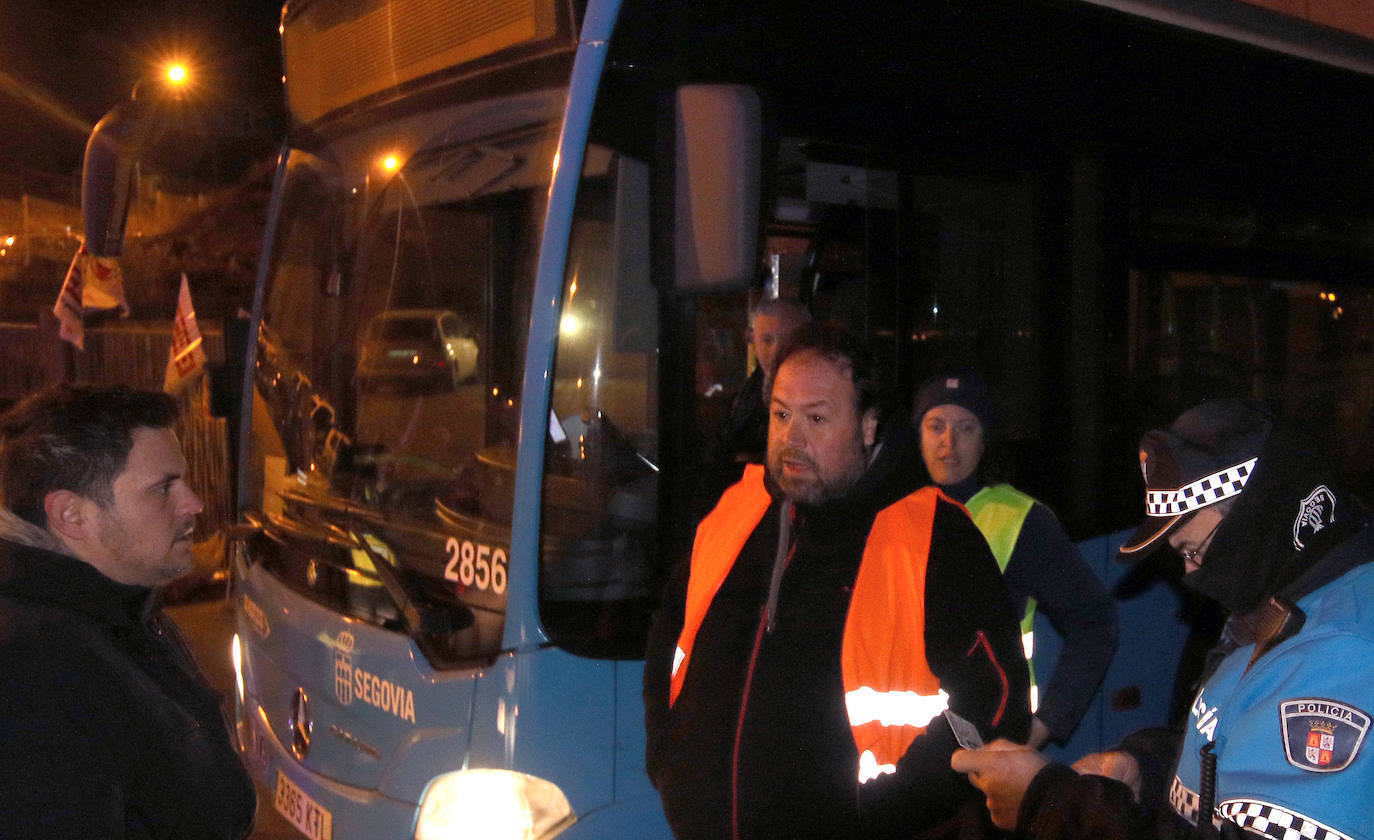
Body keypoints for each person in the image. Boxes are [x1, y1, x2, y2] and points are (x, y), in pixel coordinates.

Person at [645, 324, 1031, 839]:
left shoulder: (932, 537)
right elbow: (668, 639)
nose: (790, 438)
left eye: (817, 418)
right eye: (781, 414)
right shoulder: (735, 512)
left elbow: (995, 703)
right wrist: (668, 758)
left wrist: (885, 809)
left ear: (869, 426)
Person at [951, 398, 1374, 839]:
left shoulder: (1342, 659)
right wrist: (1146, 773)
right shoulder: (1279, 610)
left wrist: (1049, 802)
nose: (1191, 571)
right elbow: (1233, 747)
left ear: (1258, 519)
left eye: (1193, 550)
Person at [0, 384, 256, 839]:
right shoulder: (31, 676)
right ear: (72, 515)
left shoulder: (119, 608)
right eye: (163, 489)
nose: (194, 504)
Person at [913, 371, 1118, 748]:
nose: (948, 443)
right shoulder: (895, 512)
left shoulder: (1022, 520)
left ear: (986, 439)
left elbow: (1095, 622)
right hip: (908, 743)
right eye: (935, 426)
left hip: (991, 744)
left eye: (967, 427)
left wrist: (1042, 727)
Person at [706, 297, 811, 479]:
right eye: (767, 340)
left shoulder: (819, 397)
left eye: (787, 341)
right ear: (752, 340)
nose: (776, 351)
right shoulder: (746, 394)